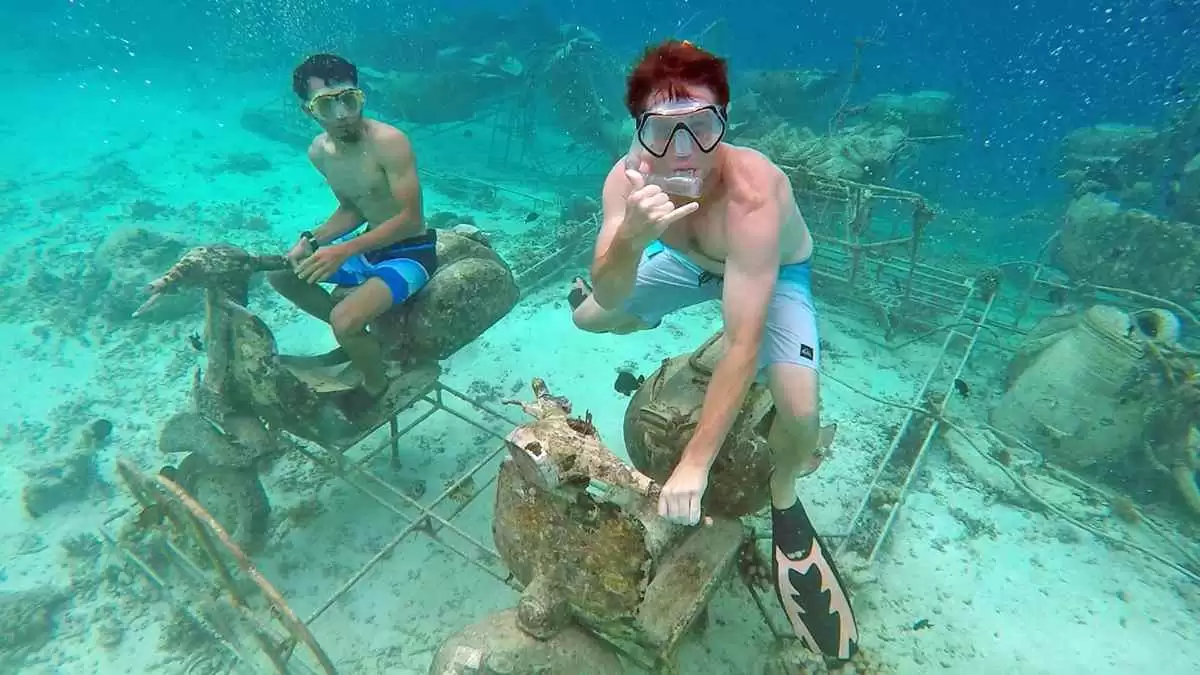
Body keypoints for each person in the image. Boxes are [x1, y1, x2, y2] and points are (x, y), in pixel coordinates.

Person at [567, 40, 859, 660]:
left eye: (700, 126)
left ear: (725, 119)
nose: (682, 151)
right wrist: (631, 239)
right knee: (591, 318)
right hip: (685, 261)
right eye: (661, 130)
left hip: (772, 272)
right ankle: (643, 321)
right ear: (637, 127)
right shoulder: (627, 179)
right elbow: (608, 288)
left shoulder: (756, 194)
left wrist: (695, 464)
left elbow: (742, 346)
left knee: (801, 413)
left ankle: (785, 488)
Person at [268, 53, 437, 416]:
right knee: (281, 273)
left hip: (411, 253)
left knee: (344, 321)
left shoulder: (390, 142)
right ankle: (360, 342)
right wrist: (312, 240)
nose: (342, 113)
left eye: (349, 99)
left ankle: (376, 383)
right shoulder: (319, 152)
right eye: (326, 105)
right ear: (308, 111)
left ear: (361, 95)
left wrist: (342, 251)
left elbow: (410, 220)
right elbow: (353, 209)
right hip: (369, 250)